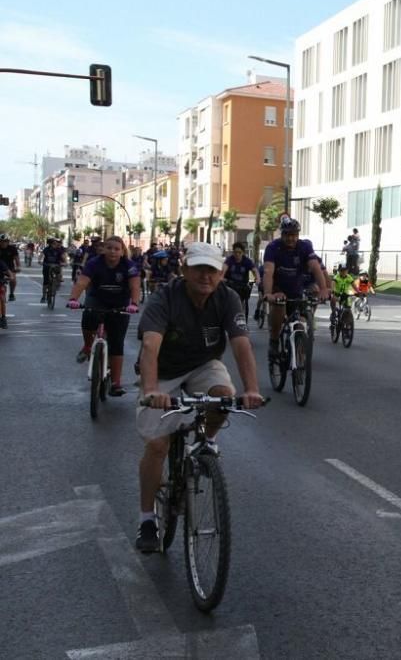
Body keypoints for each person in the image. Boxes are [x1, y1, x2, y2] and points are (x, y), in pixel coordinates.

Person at [133, 242, 265, 552]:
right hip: (162, 371)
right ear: (184, 270)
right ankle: (146, 519)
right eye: (199, 268)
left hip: (203, 364)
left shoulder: (228, 298)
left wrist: (252, 389)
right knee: (157, 444)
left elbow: (241, 344)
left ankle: (205, 440)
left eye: (212, 270)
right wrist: (152, 390)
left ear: (222, 273)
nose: (205, 276)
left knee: (223, 396)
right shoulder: (165, 297)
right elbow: (150, 346)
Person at [67, 236, 141, 396]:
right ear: (103, 249)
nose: (113, 251)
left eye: (116, 249)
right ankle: (87, 346)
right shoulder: (94, 263)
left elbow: (135, 286)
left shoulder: (129, 266)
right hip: (97, 300)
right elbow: (81, 282)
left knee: (116, 343)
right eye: (109, 248)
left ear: (122, 252)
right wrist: (73, 299)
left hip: (120, 304)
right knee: (88, 318)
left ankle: (115, 383)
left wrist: (134, 304)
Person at [262, 218, 330, 357]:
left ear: (298, 235)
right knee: (280, 306)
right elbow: (268, 272)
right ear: (282, 234)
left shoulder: (304, 247)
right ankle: (274, 341)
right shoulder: (273, 247)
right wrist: (269, 293)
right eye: (287, 234)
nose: (290, 238)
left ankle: (299, 359)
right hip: (277, 287)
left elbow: (315, 268)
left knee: (301, 322)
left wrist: (323, 289)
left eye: (294, 235)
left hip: (296, 289)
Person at [222, 242, 258, 313]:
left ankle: (241, 313)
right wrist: (221, 277)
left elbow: (255, 271)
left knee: (242, 299)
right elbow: (223, 269)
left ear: (243, 253)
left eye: (239, 252)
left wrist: (257, 279)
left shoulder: (247, 261)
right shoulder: (229, 260)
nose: (237, 254)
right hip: (230, 284)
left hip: (242, 286)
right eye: (235, 252)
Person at [39, 237, 67, 302]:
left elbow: (63, 257)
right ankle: (43, 296)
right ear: (50, 244)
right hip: (47, 266)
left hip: (56, 266)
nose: (56, 244)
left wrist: (65, 262)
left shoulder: (59, 250)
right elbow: (42, 255)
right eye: (54, 243)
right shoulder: (46, 249)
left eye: (56, 243)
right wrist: (40, 260)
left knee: (59, 277)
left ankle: (55, 286)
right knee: (46, 281)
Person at [0, 233, 21, 301]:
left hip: (10, 268)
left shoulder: (12, 248)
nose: (3, 243)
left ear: (8, 242)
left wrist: (18, 267)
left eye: (5, 241)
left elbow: (16, 258)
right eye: (1, 241)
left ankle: (11, 294)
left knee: (13, 280)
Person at [0, 255, 11, 328]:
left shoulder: (1, 262)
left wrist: (11, 276)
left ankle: (3, 318)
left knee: (2, 298)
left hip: (0, 283)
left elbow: (8, 271)